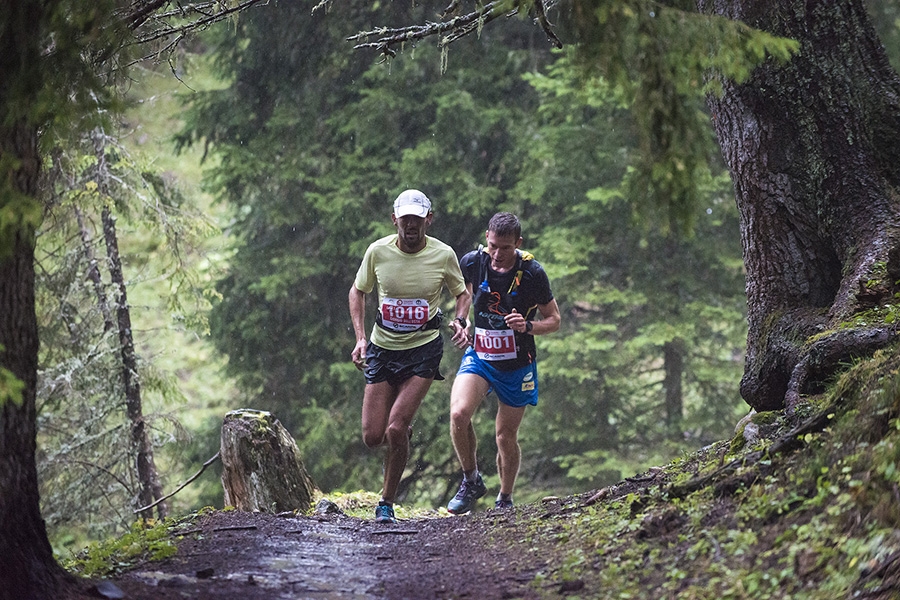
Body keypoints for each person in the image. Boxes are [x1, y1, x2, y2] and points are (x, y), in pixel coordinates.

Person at [349, 189, 471, 524]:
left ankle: (386, 503)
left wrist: (461, 320)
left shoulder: (443, 255)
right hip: (382, 349)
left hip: (423, 351)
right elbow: (358, 291)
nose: (411, 225)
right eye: (406, 219)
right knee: (373, 436)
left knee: (395, 427)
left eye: (418, 219)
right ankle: (401, 435)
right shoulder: (378, 252)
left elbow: (462, 294)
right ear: (395, 220)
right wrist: (360, 339)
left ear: (428, 219)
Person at [447, 212, 560, 513]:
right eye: (493, 246)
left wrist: (527, 326)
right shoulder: (474, 261)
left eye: (505, 248)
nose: (497, 255)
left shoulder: (533, 273)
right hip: (481, 356)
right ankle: (471, 479)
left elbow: (555, 319)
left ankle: (505, 498)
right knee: (459, 414)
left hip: (517, 364)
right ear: (487, 238)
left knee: (504, 436)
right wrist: (461, 321)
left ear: (518, 244)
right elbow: (464, 296)